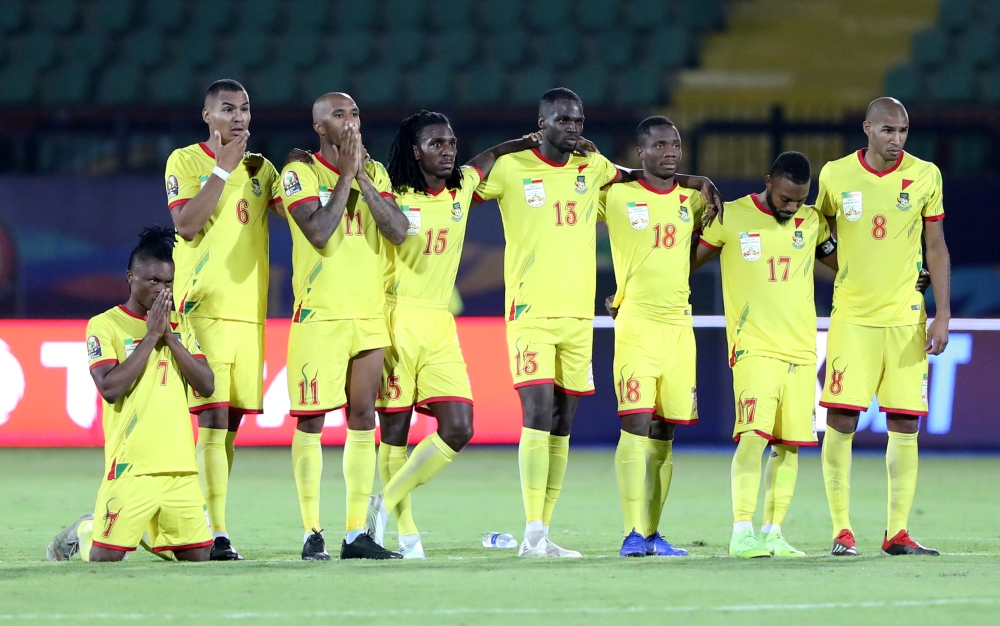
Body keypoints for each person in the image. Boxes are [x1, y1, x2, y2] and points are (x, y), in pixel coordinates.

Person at [474, 88, 721, 558]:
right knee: (538, 414)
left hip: (577, 316)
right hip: (529, 312)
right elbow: (466, 178)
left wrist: (697, 178)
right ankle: (531, 531)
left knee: (564, 420)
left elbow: (639, 176)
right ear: (542, 121)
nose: (573, 128)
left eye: (579, 121)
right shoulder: (512, 168)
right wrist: (512, 145)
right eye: (563, 120)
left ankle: (543, 532)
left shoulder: (594, 170)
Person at [369, 112, 551, 558]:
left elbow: (490, 157)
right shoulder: (393, 194)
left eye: (451, 142)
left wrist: (525, 140)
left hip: (438, 324)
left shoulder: (463, 187)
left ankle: (382, 503)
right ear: (416, 151)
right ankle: (407, 535)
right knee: (394, 433)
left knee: (459, 426)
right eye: (436, 143)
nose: (448, 150)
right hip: (394, 318)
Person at [817, 97, 950, 557]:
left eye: (904, 131)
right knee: (841, 418)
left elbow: (937, 247)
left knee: (905, 422)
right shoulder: (835, 175)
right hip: (852, 318)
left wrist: (942, 313)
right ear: (867, 129)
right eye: (888, 130)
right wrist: (850, 270)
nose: (897, 140)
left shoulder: (926, 175)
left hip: (905, 320)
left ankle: (898, 532)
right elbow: (816, 237)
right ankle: (841, 529)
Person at [279, 92, 408, 560]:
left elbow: (397, 230)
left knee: (362, 420)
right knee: (311, 421)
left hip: (368, 314)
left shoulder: (376, 173)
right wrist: (347, 178)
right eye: (339, 114)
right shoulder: (298, 174)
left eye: (355, 112)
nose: (350, 120)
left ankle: (356, 534)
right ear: (319, 127)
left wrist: (363, 180)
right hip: (320, 315)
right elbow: (318, 230)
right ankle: (312, 530)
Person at [693, 152, 838, 558]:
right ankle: (742, 531)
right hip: (754, 346)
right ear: (769, 181)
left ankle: (774, 533)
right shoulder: (731, 216)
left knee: (789, 445)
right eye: (786, 198)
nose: (793, 207)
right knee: (754, 436)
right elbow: (685, 263)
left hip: (802, 348)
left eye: (800, 200)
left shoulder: (812, 222)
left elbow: (845, 266)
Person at [164, 79, 284, 560]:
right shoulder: (186, 161)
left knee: (229, 427)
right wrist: (221, 169)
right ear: (207, 116)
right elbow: (186, 225)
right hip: (202, 309)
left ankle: (204, 522)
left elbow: (301, 216)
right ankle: (214, 534)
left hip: (247, 315)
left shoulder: (262, 169)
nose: (238, 117)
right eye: (228, 109)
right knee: (211, 419)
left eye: (245, 109)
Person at [47, 227, 215, 563]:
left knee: (199, 559)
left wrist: (169, 337)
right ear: (130, 277)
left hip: (179, 466)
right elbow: (109, 388)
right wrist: (152, 336)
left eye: (168, 283)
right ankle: (84, 531)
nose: (162, 290)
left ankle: (143, 530)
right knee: (105, 561)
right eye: (153, 280)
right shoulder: (105, 325)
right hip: (131, 466)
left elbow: (206, 385)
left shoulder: (180, 325)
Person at [600, 116, 704, 557]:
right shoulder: (617, 195)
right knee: (636, 422)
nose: (670, 152)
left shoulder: (694, 199)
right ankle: (630, 533)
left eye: (675, 145)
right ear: (639, 152)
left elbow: (707, 245)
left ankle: (653, 532)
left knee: (664, 431)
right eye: (660, 145)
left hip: (680, 326)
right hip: (636, 324)